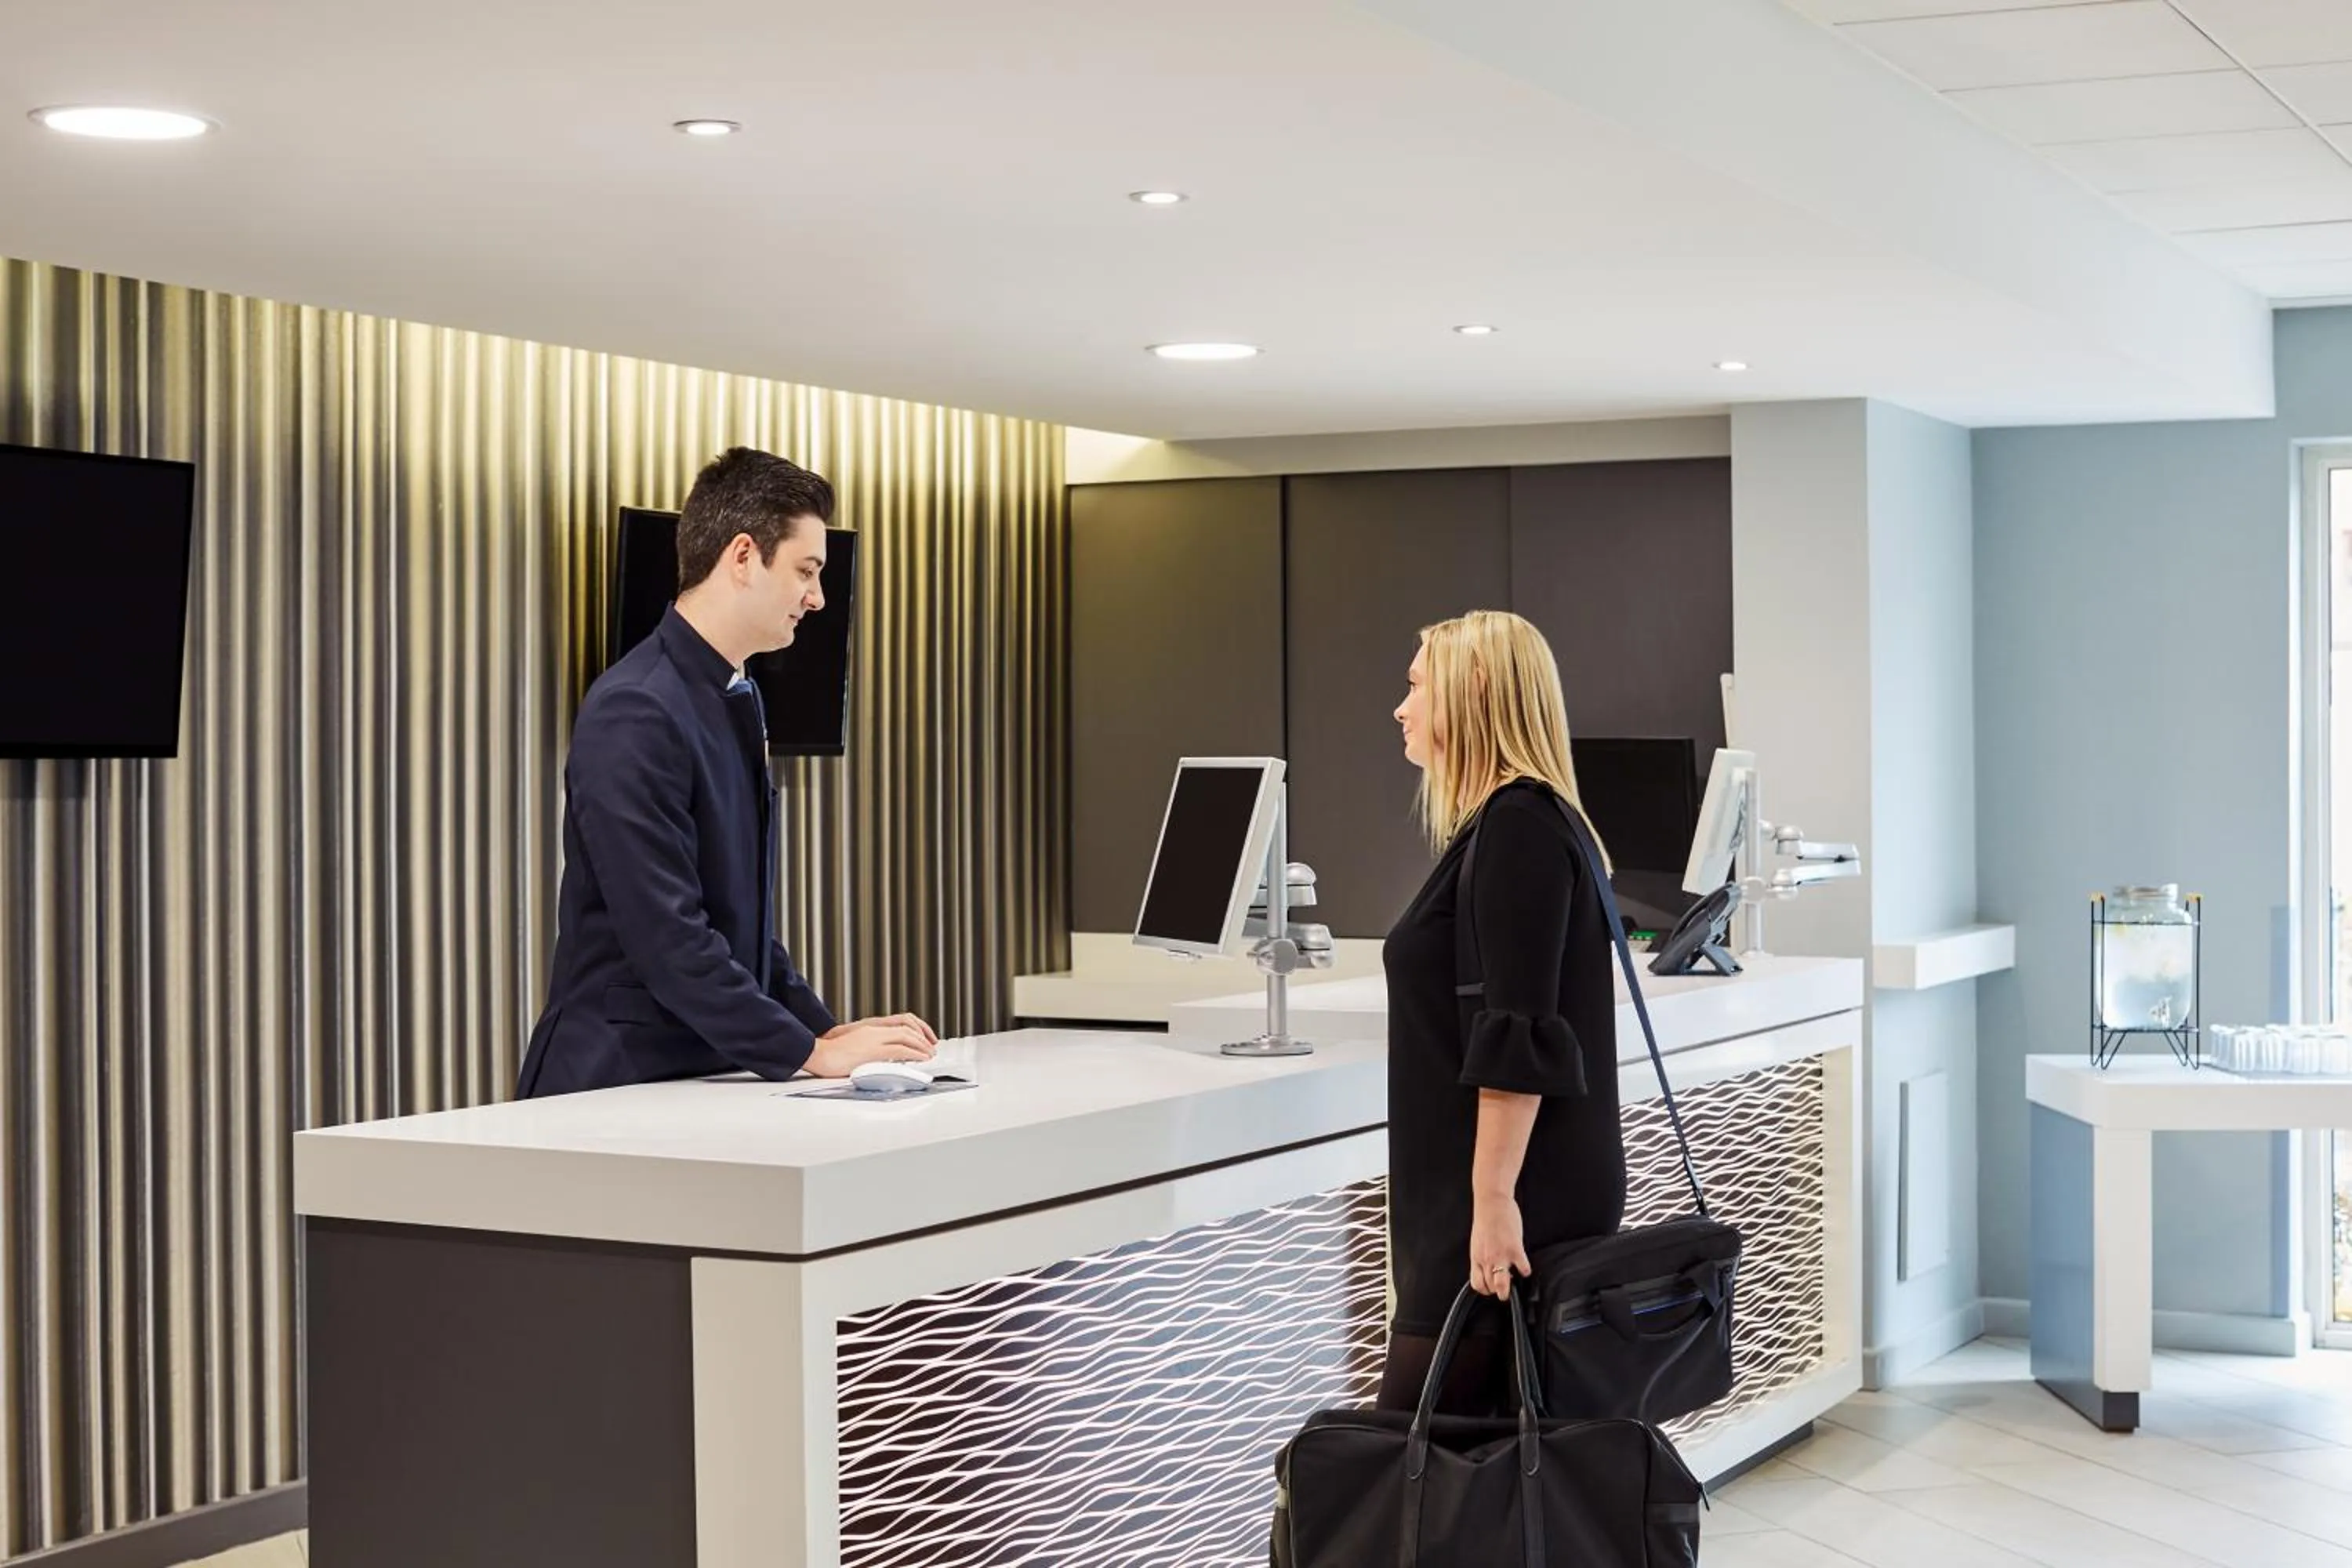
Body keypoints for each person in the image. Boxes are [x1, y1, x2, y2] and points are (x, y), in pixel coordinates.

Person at [517, 446, 938, 1098]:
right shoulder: (637, 707)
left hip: (699, 1072)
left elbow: (742, 928)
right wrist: (809, 1052)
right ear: (743, 556)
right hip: (614, 1082)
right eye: (806, 571)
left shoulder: (733, 696)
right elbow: (667, 935)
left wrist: (824, 1033)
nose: (818, 598)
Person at [1375, 608, 1626, 1413]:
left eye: (1418, 685)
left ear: (1474, 690)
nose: (1401, 708)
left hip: (1502, 1199)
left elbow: (1519, 1033)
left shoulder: (1519, 825)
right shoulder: (1523, 822)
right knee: (1491, 1453)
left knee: (1418, 1452)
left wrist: (1490, 1203)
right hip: (1494, 1193)